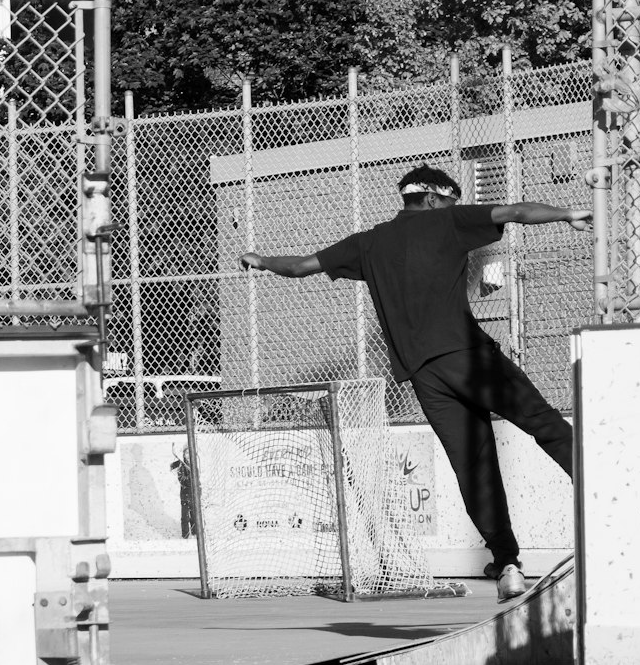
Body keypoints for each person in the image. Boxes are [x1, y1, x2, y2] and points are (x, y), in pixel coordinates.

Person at [240, 164, 591, 602]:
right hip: (468, 357)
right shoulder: (448, 221)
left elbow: (298, 267)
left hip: (425, 377)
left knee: (474, 467)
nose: (455, 207)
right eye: (451, 199)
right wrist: (567, 213)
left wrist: (260, 261)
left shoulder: (368, 243)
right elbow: (516, 212)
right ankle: (605, 497)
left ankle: (506, 564)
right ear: (432, 198)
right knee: (542, 422)